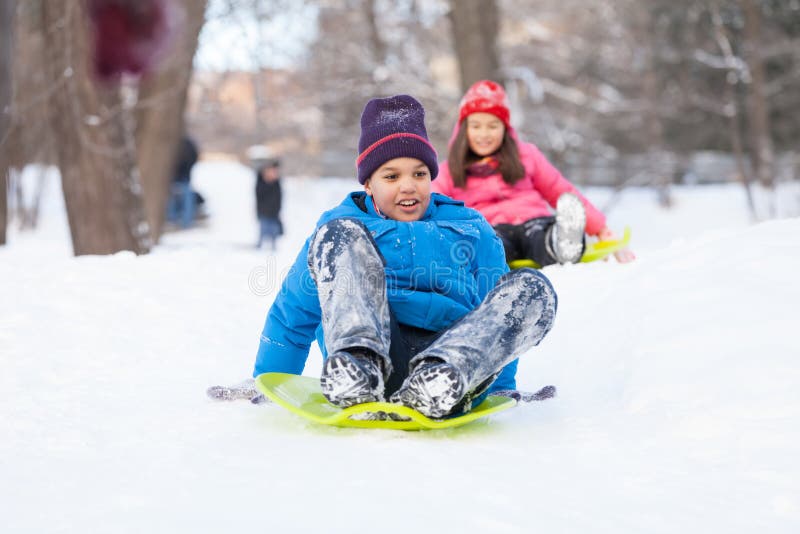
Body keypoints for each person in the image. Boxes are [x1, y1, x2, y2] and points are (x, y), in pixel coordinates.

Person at [251, 95, 558, 419]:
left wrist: (499, 388)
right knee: (337, 235)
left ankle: (438, 380)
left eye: (420, 174)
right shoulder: (343, 227)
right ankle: (357, 367)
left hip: (454, 364)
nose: (409, 186)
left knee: (532, 287)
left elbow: (497, 312)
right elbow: (293, 314)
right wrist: (268, 381)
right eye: (392, 177)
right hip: (374, 355)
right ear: (368, 183)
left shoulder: (470, 227)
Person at [432, 80, 635, 267]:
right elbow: (430, 201)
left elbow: (559, 189)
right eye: (476, 126)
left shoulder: (525, 155)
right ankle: (485, 259)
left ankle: (560, 243)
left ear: (505, 128)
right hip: (490, 228)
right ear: (463, 129)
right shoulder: (450, 169)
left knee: (540, 236)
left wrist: (600, 229)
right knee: (493, 244)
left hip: (534, 219)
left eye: (493, 126)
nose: (484, 134)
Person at [255, 158, 283, 251]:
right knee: (263, 231)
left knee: (274, 232)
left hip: (274, 212)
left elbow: (279, 197)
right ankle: (259, 247)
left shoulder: (277, 182)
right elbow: (259, 195)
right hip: (264, 211)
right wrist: (268, 182)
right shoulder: (261, 180)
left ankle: (273, 248)